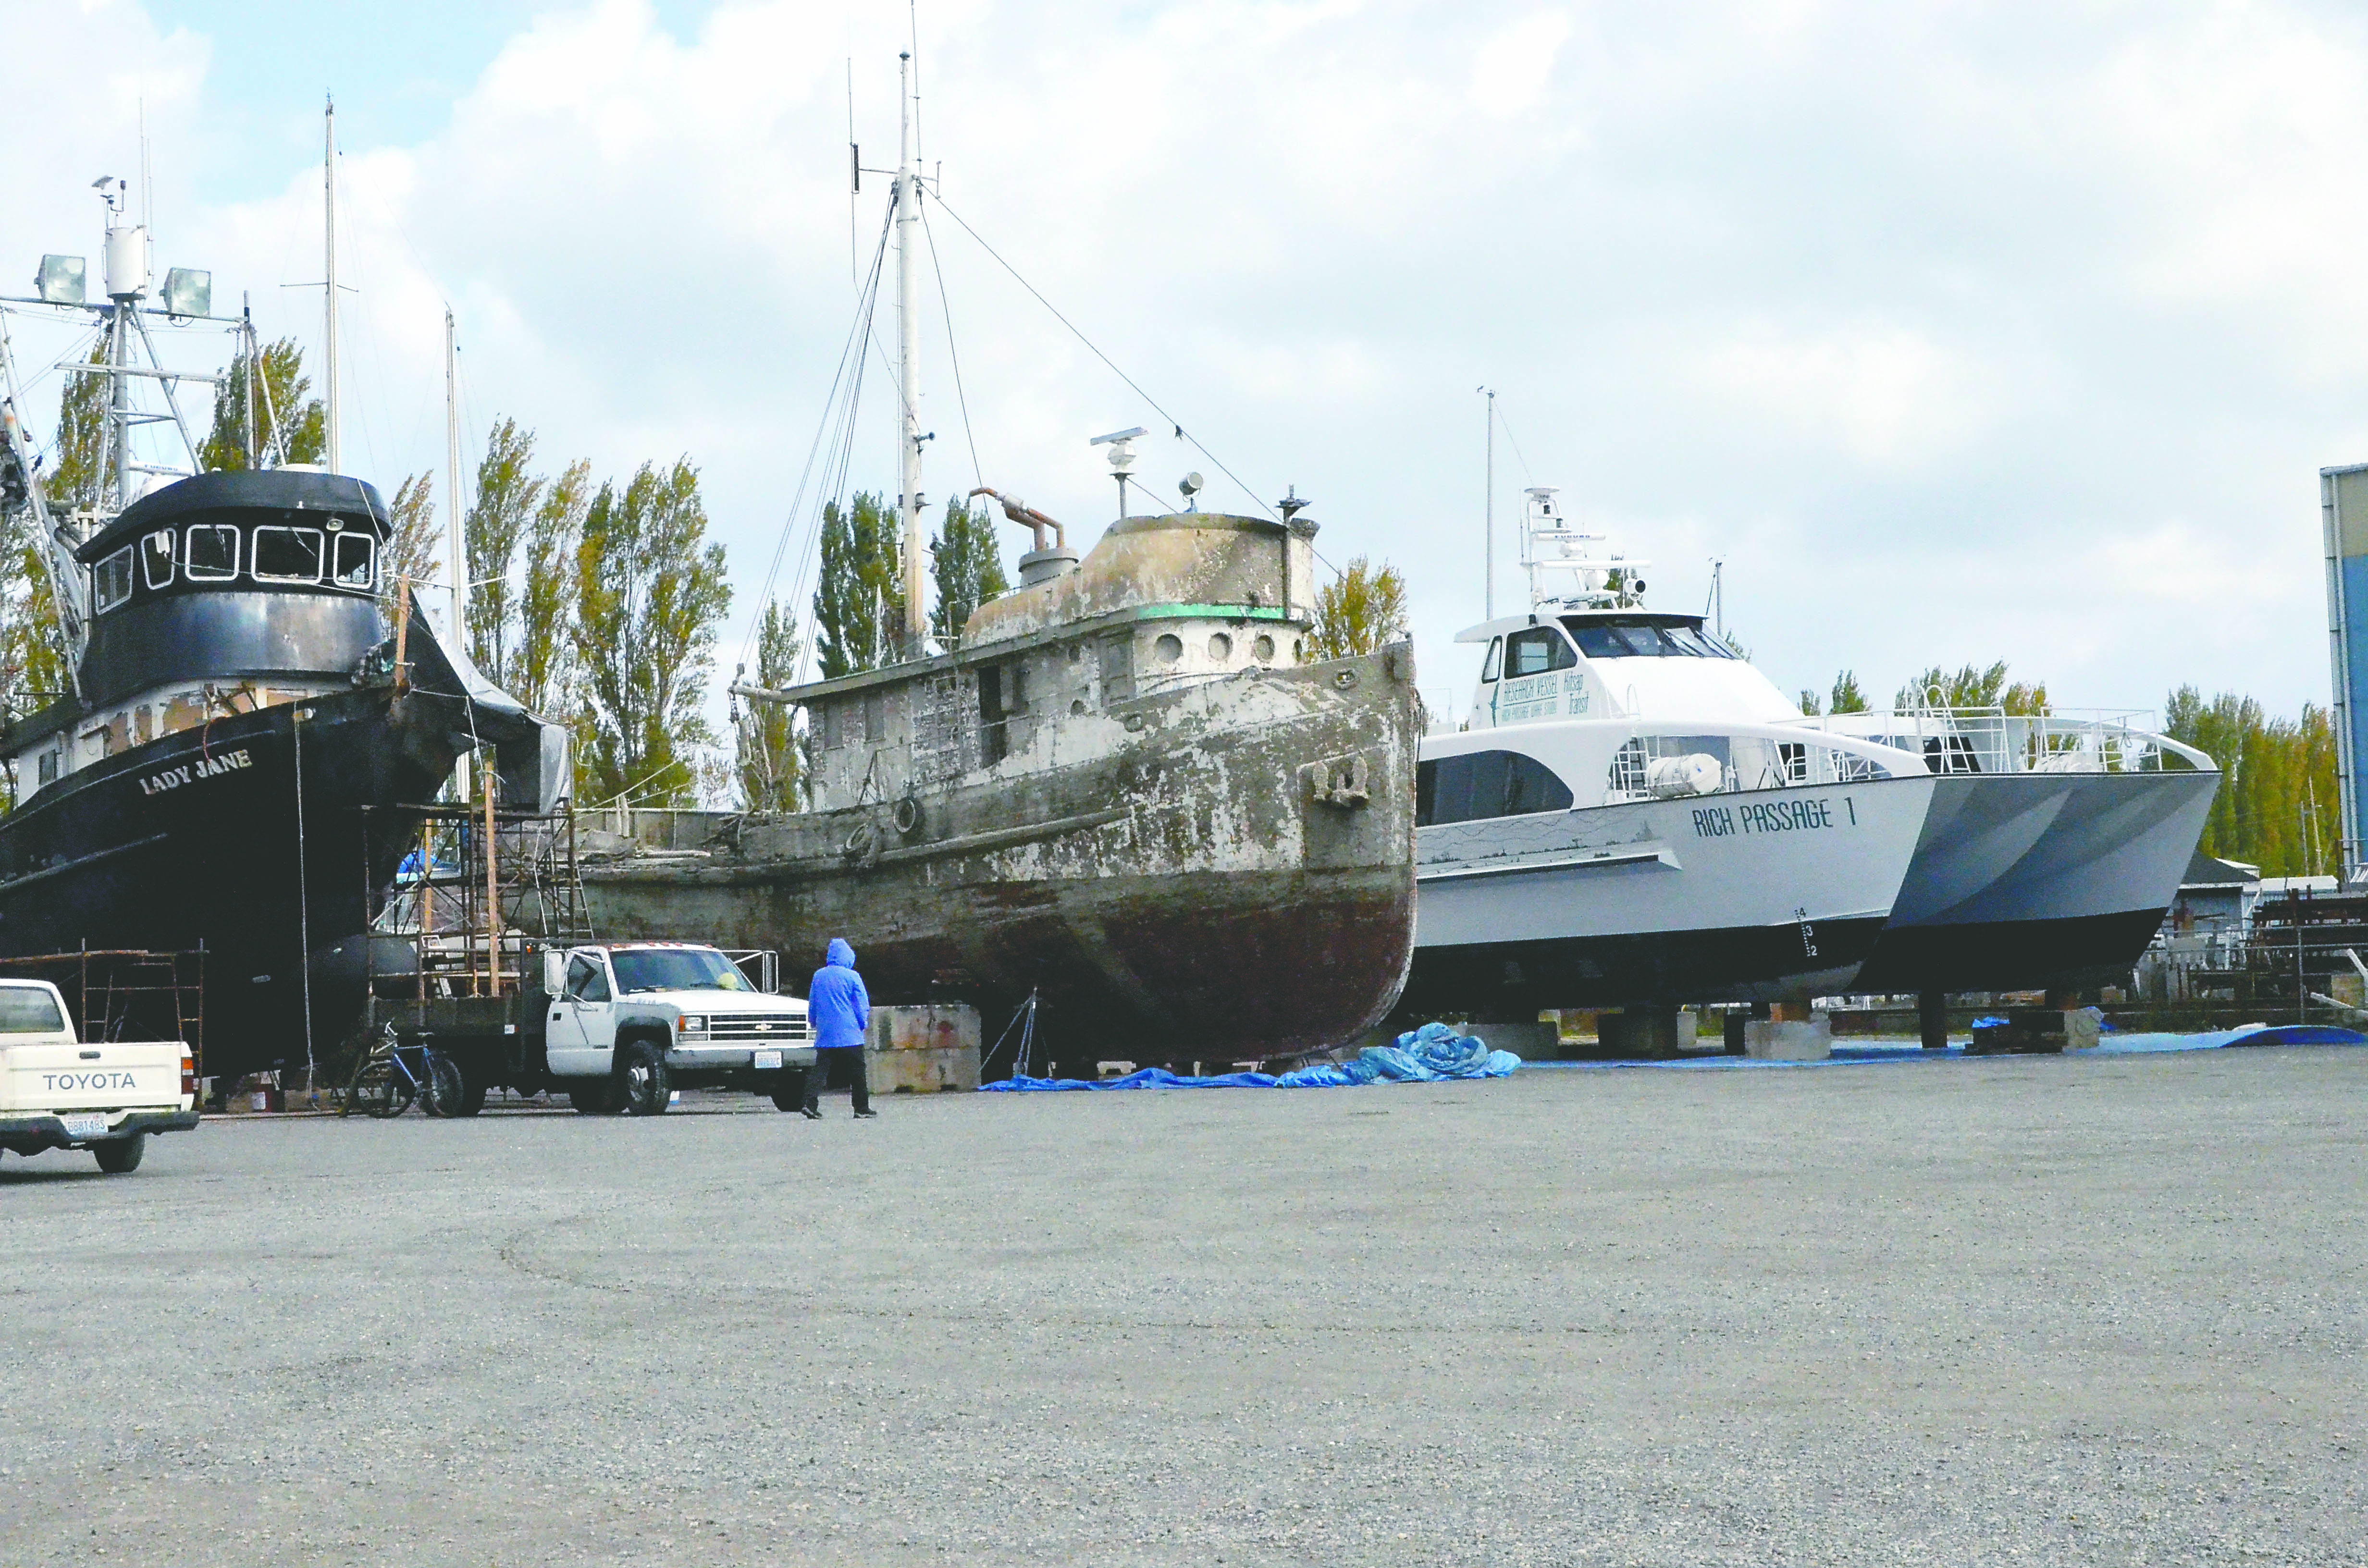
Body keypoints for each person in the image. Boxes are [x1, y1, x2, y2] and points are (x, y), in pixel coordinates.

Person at [802, 937, 875, 1119]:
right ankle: (861, 1108)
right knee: (857, 1072)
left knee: (820, 1070)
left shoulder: (819, 976)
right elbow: (861, 1004)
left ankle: (809, 1104)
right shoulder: (852, 976)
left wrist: (813, 1022)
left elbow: (814, 1002)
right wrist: (862, 1023)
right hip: (849, 1033)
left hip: (826, 1033)